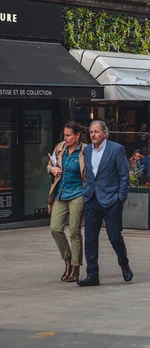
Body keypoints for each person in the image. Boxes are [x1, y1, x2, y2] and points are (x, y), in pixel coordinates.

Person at [77, 120, 132, 287]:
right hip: (92, 199)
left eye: (96, 132)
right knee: (90, 239)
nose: (93, 134)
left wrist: (120, 198)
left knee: (114, 236)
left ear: (105, 133)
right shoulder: (86, 151)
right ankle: (92, 274)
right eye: (91, 132)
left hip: (111, 199)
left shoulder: (116, 149)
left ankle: (124, 264)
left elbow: (124, 175)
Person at [48, 121, 86, 283]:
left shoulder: (85, 151)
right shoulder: (60, 148)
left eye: (69, 135)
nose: (66, 138)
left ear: (77, 136)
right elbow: (50, 165)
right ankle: (68, 260)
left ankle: (76, 267)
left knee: (74, 232)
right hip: (60, 193)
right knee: (55, 228)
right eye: (64, 135)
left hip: (78, 193)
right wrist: (53, 169)